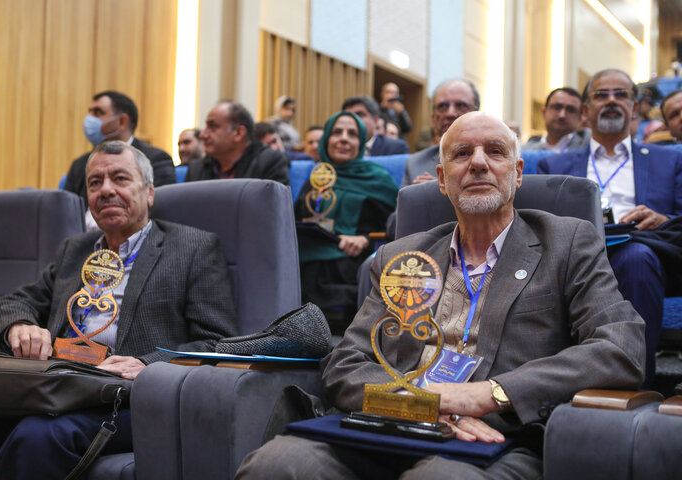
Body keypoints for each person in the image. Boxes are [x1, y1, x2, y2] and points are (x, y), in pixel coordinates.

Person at [236, 112, 645, 480]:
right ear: (442, 178)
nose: (479, 163)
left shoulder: (567, 242)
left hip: (497, 437)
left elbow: (620, 346)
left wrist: (490, 393)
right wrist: (423, 405)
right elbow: (347, 362)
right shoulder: (403, 257)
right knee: (277, 465)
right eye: (462, 153)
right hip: (391, 427)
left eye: (495, 152)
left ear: (518, 173)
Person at [0, 141, 238, 479]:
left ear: (149, 192)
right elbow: (9, 303)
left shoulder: (192, 248)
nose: (106, 190)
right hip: (57, 384)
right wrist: (20, 325)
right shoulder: (75, 250)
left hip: (125, 395)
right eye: (95, 183)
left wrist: (149, 364)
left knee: (36, 436)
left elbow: (218, 342)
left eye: (120, 178)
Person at [537, 68, 682, 385]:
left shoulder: (668, 161)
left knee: (636, 258)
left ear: (636, 106)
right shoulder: (557, 165)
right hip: (577, 255)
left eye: (621, 95)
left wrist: (663, 220)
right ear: (586, 111)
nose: (612, 101)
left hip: (645, 252)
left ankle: (634, 385)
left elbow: (680, 222)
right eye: (601, 95)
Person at [295, 111, 398, 326]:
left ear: (360, 143)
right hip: (305, 265)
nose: (343, 138)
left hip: (351, 268)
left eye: (352, 134)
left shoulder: (378, 179)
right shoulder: (317, 177)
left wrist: (365, 239)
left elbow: (395, 228)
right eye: (336, 132)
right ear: (326, 140)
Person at [64, 91, 176, 229]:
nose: (89, 119)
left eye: (98, 112)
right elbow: (66, 215)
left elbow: (157, 213)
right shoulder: (80, 164)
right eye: (95, 182)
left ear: (122, 121)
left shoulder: (156, 159)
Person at [186, 101, 289, 185]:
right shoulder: (196, 169)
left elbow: (273, 208)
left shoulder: (270, 162)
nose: (203, 135)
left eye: (212, 127)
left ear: (239, 133)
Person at [402, 79, 480, 187]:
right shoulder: (415, 164)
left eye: (461, 105)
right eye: (443, 106)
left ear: (477, 115)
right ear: (433, 119)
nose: (450, 113)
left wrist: (440, 192)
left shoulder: (497, 159)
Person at [523, 87, 590, 152]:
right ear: (544, 112)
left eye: (570, 110)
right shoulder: (525, 151)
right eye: (557, 107)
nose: (562, 115)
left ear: (580, 118)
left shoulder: (588, 148)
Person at [341, 96, 409, 156]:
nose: (353, 120)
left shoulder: (396, 148)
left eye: (359, 115)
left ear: (375, 120)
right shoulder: (338, 147)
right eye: (349, 116)